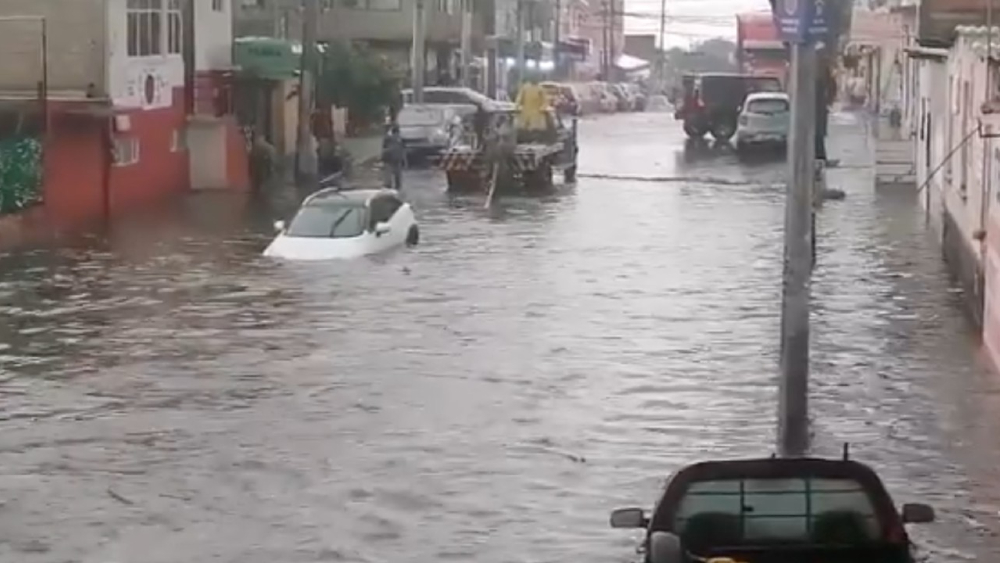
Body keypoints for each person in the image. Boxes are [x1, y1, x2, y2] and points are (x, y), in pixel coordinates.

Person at [382, 124, 405, 191]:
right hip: (397, 157)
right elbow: (402, 148)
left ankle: (388, 185)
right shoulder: (399, 138)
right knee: (397, 172)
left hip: (389, 156)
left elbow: (384, 147)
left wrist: (383, 157)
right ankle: (398, 185)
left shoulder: (388, 138)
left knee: (388, 171)